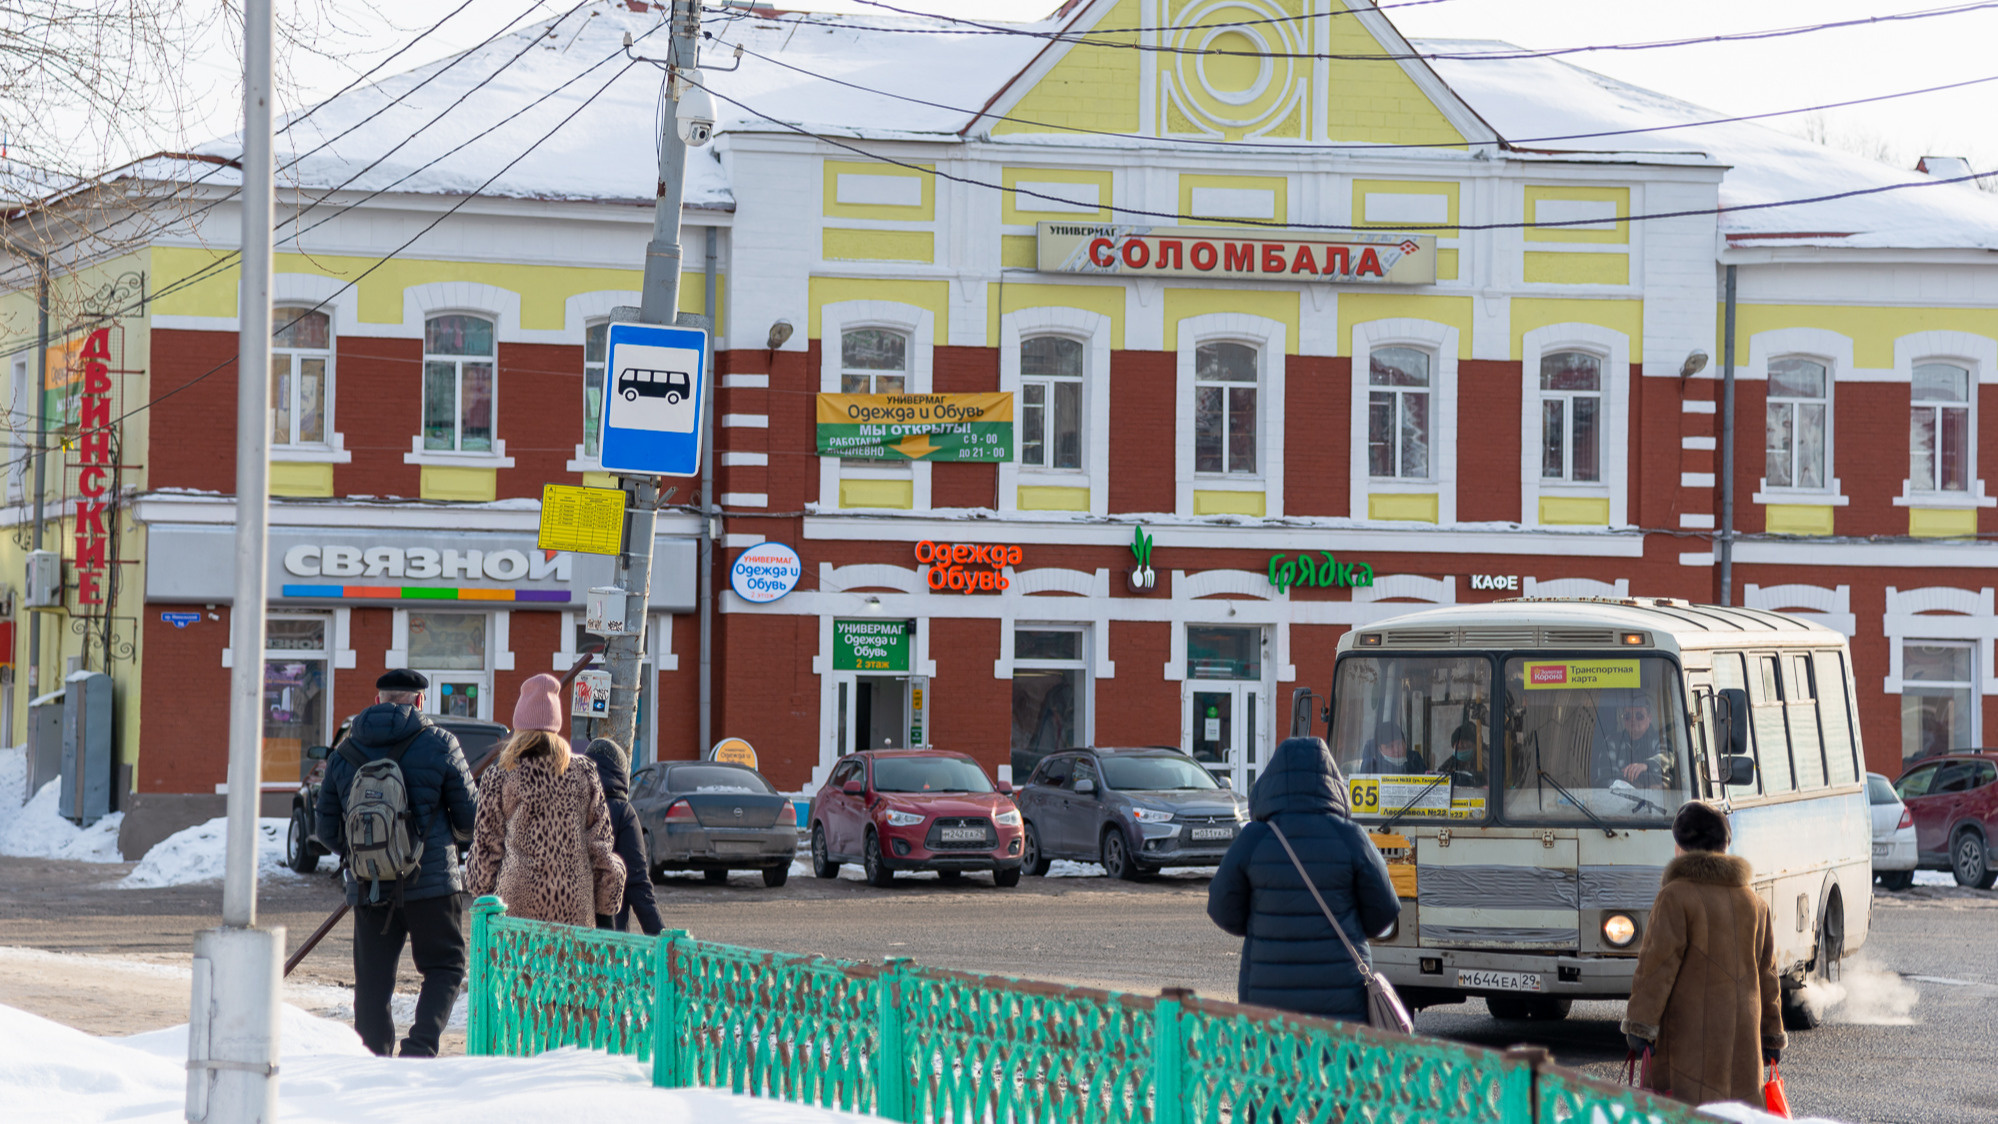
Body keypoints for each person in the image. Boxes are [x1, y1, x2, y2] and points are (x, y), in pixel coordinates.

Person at [313, 668, 478, 1058]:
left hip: (369, 886)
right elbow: (472, 820)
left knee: (371, 983)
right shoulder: (440, 743)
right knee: (445, 967)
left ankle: (372, 1057)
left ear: (378, 701)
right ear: (419, 701)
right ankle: (419, 1048)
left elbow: (325, 828)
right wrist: (442, 842)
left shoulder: (344, 752)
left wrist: (363, 856)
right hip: (432, 883)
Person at [1207, 737, 1401, 1022]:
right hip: (1342, 994)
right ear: (1331, 782)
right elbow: (1383, 912)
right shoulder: (1351, 836)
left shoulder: (1254, 838)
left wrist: (1262, 926)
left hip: (1267, 990)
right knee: (1337, 1064)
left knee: (1274, 1064)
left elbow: (1221, 908)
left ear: (1271, 782)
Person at [1623, 802, 1786, 1107]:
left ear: (1680, 846)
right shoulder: (1754, 902)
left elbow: (1656, 969)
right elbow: (1769, 977)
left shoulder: (1675, 896)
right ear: (1725, 846)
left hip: (1686, 1053)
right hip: (1744, 1055)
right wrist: (1772, 1035)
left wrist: (1640, 1026)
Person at [465, 674, 625, 927]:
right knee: (568, 967)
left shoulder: (500, 776)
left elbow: (486, 851)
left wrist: (482, 894)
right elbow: (600, 847)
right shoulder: (584, 772)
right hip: (575, 911)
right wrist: (605, 909)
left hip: (516, 910)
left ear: (519, 725)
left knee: (520, 967)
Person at [584, 737, 664, 936]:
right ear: (620, 772)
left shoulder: (567, 804)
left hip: (565, 934)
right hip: (608, 936)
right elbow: (638, 884)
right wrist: (662, 939)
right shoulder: (623, 812)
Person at [1593, 690, 1672, 788]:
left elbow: (1667, 757)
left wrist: (1646, 765)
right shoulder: (1611, 742)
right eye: (1627, 716)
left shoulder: (1660, 739)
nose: (1633, 720)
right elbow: (1605, 777)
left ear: (1649, 718)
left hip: (1655, 801)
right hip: (1617, 800)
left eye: (1639, 716)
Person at [1358, 720, 1430, 775]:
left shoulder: (1415, 760)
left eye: (1399, 744)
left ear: (1405, 744)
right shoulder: (1371, 766)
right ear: (1380, 749)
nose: (1396, 750)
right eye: (1390, 746)